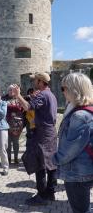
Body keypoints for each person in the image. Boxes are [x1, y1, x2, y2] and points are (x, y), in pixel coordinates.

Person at [12, 72, 57, 206]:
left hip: (42, 135)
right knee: (51, 164)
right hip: (50, 133)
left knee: (40, 165)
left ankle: (42, 196)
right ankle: (50, 193)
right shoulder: (51, 94)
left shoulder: (43, 94)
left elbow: (27, 107)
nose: (34, 83)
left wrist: (18, 94)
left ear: (41, 82)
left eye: (35, 80)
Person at [53, 73, 93, 213]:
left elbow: (71, 148)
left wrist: (55, 159)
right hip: (85, 168)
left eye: (63, 88)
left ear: (73, 89)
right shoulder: (87, 111)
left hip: (76, 172)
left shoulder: (79, 116)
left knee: (80, 210)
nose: (62, 91)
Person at [4, 85, 24, 165]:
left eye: (13, 90)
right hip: (6, 123)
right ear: (7, 91)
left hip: (17, 124)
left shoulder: (19, 98)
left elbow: (22, 108)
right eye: (10, 90)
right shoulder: (4, 98)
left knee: (16, 142)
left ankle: (16, 158)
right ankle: (8, 158)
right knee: (8, 142)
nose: (11, 91)